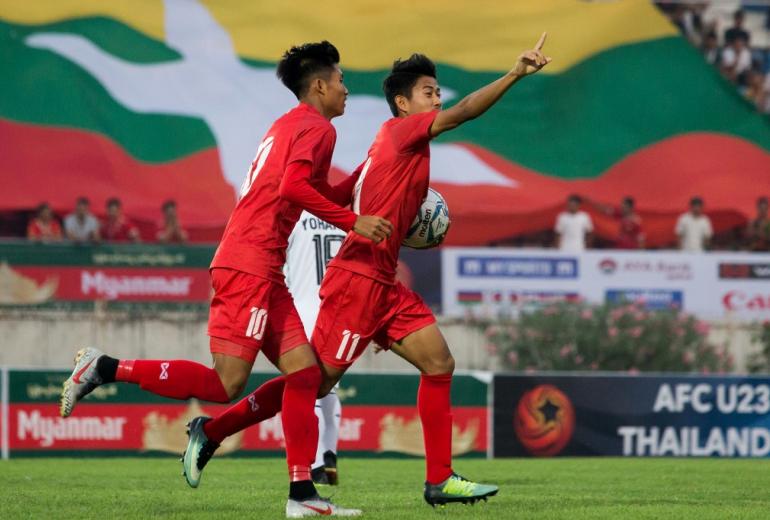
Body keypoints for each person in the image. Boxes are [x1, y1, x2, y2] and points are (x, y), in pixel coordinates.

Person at [186, 32, 552, 508]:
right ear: (402, 103)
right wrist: (514, 75)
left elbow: (344, 195)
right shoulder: (403, 132)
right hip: (357, 282)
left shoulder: (390, 145)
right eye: (428, 92)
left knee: (439, 364)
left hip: (384, 283)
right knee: (312, 382)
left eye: (438, 92)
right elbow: (462, 115)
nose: (438, 99)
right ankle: (213, 430)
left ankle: (439, 480)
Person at [59, 41, 390, 518]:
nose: (345, 88)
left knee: (306, 376)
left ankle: (302, 497)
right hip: (249, 262)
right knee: (226, 383)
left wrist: (367, 171)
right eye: (340, 80)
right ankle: (105, 367)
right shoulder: (316, 128)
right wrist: (351, 221)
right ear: (318, 86)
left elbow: (313, 192)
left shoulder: (289, 125)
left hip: (262, 263)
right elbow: (293, 189)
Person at [284, 211, 346, 486]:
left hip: (302, 311)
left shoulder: (293, 215)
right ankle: (329, 453)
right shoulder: (346, 217)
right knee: (329, 387)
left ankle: (319, 464)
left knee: (307, 391)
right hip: (339, 314)